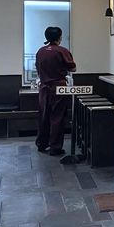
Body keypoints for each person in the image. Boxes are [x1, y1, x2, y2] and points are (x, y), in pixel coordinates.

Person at [35, 26, 76, 157]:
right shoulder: (62, 51)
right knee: (57, 117)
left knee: (43, 116)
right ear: (59, 37)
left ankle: (41, 144)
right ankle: (55, 147)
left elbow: (38, 68)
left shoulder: (40, 51)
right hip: (59, 87)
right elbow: (73, 68)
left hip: (44, 88)